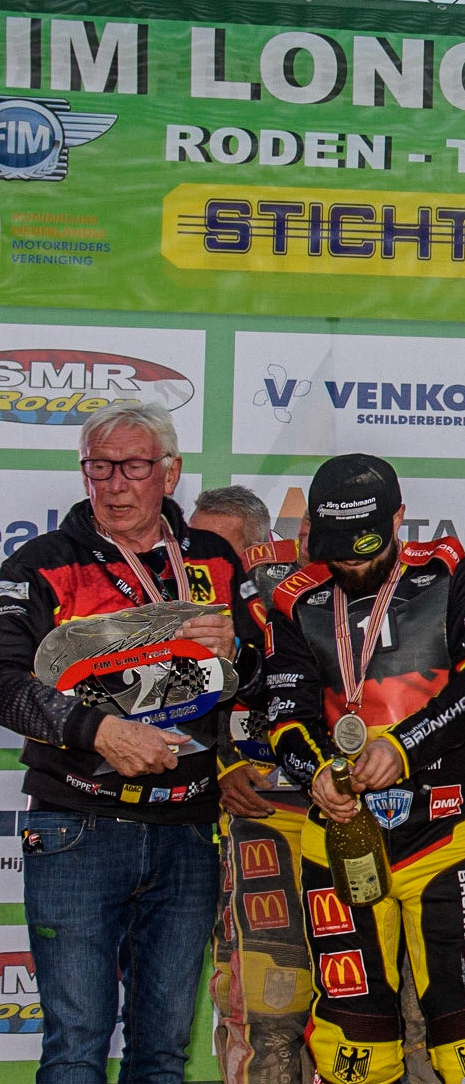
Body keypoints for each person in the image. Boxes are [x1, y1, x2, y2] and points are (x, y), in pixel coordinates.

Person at [0, 401, 260, 1084]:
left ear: (168, 473)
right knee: (77, 1044)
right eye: (100, 466)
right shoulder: (42, 563)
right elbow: (1, 678)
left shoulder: (214, 561)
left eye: (134, 466)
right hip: (78, 825)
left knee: (163, 1051)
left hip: (186, 830)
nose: (114, 483)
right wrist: (98, 730)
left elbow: (266, 674)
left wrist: (243, 651)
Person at [267, 455, 465, 1084]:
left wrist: (403, 746)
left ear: (399, 519)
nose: (352, 563)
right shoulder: (294, 601)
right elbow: (282, 714)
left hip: (444, 842)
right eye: (337, 550)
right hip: (341, 844)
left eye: (364, 547)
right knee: (352, 1039)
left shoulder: (455, 569)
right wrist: (315, 774)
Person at [191, 486, 317, 1084]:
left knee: (358, 991)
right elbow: (168, 711)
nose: (201, 557)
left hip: (337, 815)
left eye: (217, 545)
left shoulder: (312, 596)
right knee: (261, 996)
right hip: (252, 820)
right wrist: (219, 767)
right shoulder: (184, 605)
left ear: (262, 547)